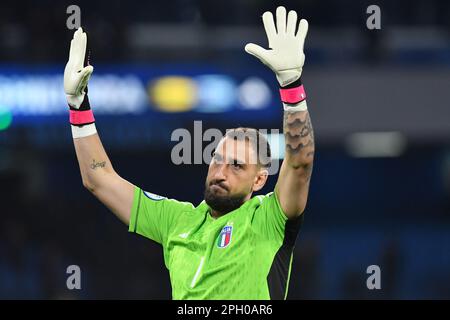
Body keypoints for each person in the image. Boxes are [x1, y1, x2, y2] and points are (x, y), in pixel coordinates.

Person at [64, 6, 314, 300]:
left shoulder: (269, 219)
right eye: (218, 160)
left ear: (259, 180)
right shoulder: (177, 221)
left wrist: (291, 87)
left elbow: (299, 164)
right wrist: (78, 106)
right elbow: (98, 179)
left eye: (237, 166)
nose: (221, 172)